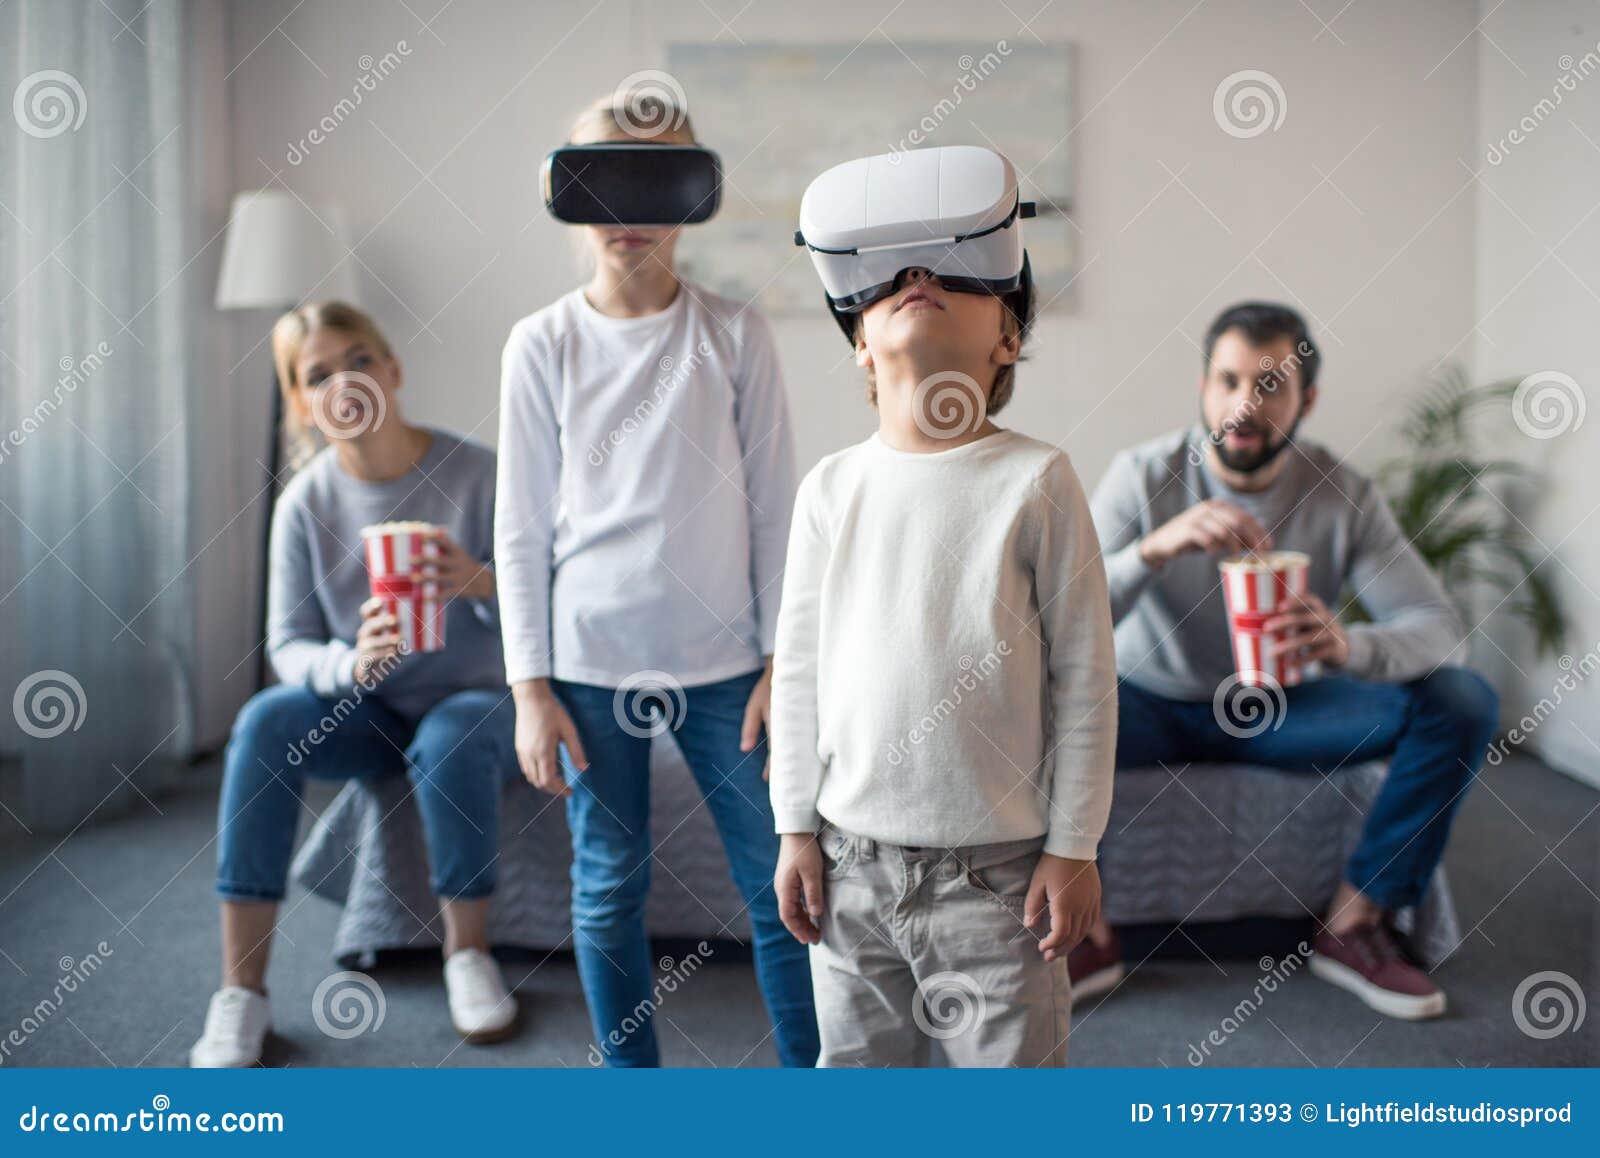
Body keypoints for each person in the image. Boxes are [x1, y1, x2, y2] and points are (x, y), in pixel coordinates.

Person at [494, 91, 818, 1067]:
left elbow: (775, 509)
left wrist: (780, 664)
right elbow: (519, 530)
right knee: (608, 883)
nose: (627, 206)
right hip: (591, 664)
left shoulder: (732, 335)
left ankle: (820, 1087)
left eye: (654, 176)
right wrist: (530, 688)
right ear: (565, 192)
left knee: (778, 884)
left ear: (692, 194)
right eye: (603, 175)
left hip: (727, 665)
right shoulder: (541, 344)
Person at [771, 158, 1117, 1065]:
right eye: (888, 278)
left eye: (955, 273)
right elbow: (799, 670)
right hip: (850, 868)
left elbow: (1085, 676)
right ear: (859, 344)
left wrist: (1074, 848)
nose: (918, 280)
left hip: (999, 882)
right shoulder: (829, 488)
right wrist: (793, 828)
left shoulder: (1036, 479)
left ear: (1007, 340)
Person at [1079, 301, 1499, 1020]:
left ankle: (1355, 924)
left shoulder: (1343, 493)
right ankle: (1087, 933)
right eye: (1228, 380)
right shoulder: (1143, 475)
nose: (1245, 404)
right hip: (1148, 701)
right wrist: (1151, 552)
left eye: (1270, 385)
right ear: (1203, 387)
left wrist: (1349, 645)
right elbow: (1061, 621)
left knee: (1462, 699)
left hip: (1284, 708)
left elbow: (1437, 627)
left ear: (1306, 399)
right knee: (1038, 704)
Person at [191, 302, 520, 1068]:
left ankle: (467, 955)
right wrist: (351, 665)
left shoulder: (478, 474)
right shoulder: (304, 504)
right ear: (301, 403)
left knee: (450, 736)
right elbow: (289, 646)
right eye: (317, 374)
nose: (345, 382)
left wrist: (477, 582)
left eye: (359, 360)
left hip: (472, 696)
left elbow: (551, 601)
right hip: (366, 707)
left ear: (394, 369)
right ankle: (241, 992)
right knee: (267, 722)